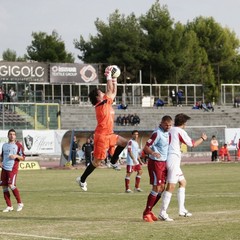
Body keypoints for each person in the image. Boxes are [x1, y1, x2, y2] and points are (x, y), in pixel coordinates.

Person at [76, 65, 128, 191]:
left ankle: (114, 161)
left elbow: (113, 92)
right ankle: (82, 179)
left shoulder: (106, 102)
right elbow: (110, 90)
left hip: (109, 133)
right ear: (98, 98)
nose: (104, 93)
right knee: (97, 161)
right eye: (101, 93)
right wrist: (109, 76)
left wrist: (114, 79)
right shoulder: (101, 104)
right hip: (101, 136)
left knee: (124, 142)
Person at [159, 113, 207, 221]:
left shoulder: (170, 129)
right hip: (173, 159)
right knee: (171, 186)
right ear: (184, 123)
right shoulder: (180, 131)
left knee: (183, 182)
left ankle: (181, 209)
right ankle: (163, 212)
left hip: (170, 157)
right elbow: (192, 144)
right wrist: (202, 138)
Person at [142, 115, 173, 222]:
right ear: (162, 123)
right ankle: (146, 213)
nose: (168, 127)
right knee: (156, 187)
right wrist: (153, 152)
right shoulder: (157, 133)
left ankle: (149, 211)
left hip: (163, 163)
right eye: (166, 125)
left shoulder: (167, 133)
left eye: (170, 125)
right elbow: (146, 147)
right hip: (155, 163)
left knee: (162, 188)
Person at [0, 129, 25, 212]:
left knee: (11, 185)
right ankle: (9, 206)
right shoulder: (4, 145)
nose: (12, 136)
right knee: (4, 187)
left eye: (13, 134)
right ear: (8, 135)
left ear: (15, 136)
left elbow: (23, 158)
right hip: (4, 168)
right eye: (10, 134)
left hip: (12, 169)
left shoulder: (18, 145)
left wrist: (16, 156)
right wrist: (0, 162)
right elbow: (2, 156)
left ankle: (20, 203)